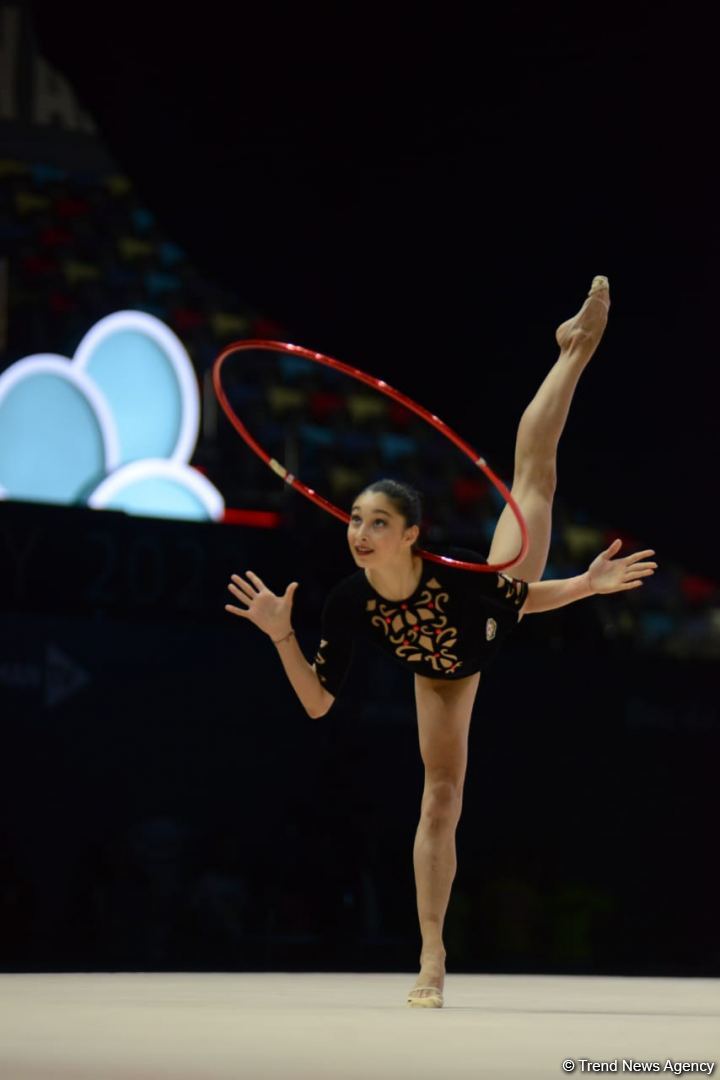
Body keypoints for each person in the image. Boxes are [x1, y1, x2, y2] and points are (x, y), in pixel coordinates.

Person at [224, 276, 657, 1007]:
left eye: (377, 523)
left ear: (412, 536)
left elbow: (523, 604)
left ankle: (575, 349)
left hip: (480, 628)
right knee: (440, 801)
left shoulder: (458, 580)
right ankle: (431, 960)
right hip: (441, 678)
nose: (359, 532)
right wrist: (279, 637)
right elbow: (318, 704)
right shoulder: (348, 600)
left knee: (534, 479)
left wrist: (586, 584)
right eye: (355, 519)